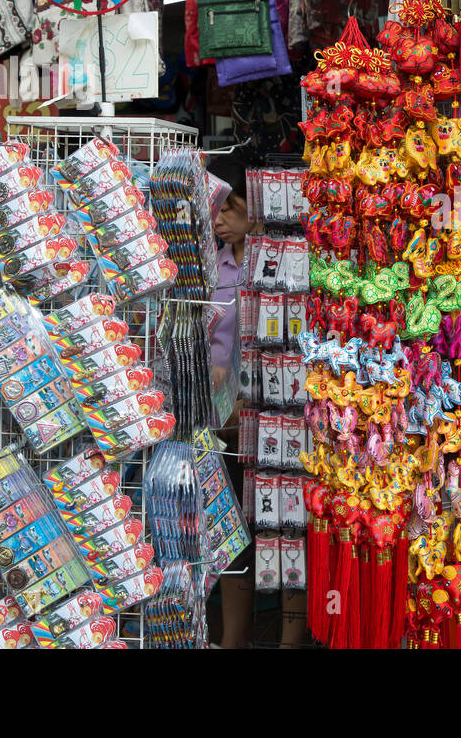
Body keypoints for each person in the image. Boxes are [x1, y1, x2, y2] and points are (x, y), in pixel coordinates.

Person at [207, 154, 255, 648]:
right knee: (228, 535)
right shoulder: (208, 265)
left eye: (230, 206)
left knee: (271, 530)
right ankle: (231, 639)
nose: (219, 217)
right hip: (218, 421)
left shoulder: (271, 262)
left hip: (266, 417)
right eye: (216, 207)